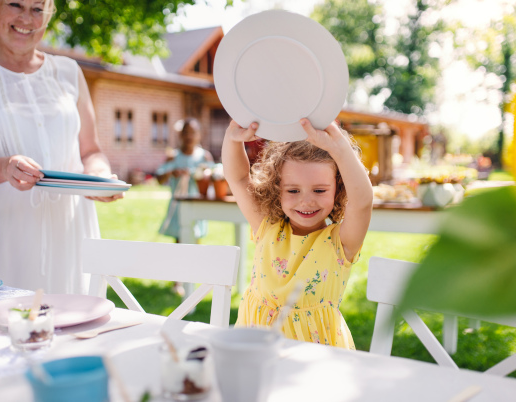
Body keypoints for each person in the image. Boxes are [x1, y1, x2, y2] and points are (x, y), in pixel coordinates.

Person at [0, 0, 121, 293]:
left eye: (37, 8)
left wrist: (98, 178)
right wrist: (3, 168)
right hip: (0, 244)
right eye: (15, 5)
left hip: (71, 238)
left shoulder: (69, 72)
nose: (27, 18)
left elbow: (91, 151)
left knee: (75, 332)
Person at [222, 119, 373, 348]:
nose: (306, 200)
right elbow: (239, 178)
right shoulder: (267, 227)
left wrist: (339, 149)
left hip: (314, 361)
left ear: (339, 188)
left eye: (320, 190)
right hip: (255, 351)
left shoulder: (341, 242)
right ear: (276, 189)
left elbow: (363, 201)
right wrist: (232, 140)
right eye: (293, 190)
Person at [156, 118, 213, 241]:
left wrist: (200, 174)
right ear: (180, 135)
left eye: (193, 132)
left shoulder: (204, 156)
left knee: (195, 238)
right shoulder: (173, 156)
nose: (189, 136)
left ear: (199, 135)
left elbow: (212, 177)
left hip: (197, 205)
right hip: (178, 206)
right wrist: (172, 172)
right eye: (186, 132)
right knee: (179, 240)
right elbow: (159, 178)